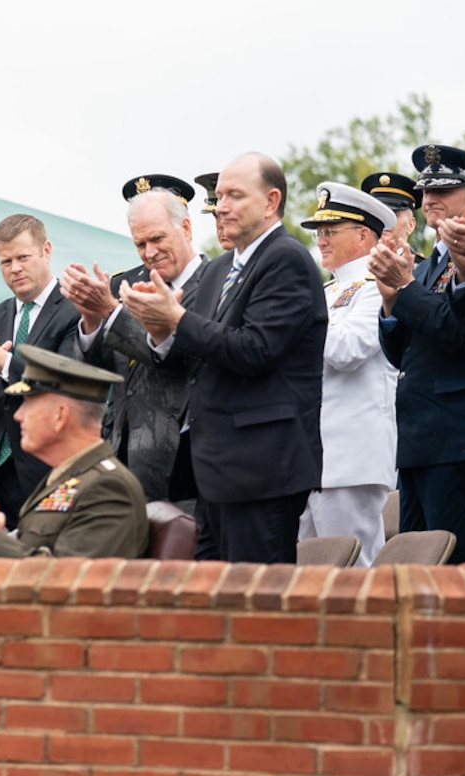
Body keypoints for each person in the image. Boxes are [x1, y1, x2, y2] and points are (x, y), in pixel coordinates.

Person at [120, 153, 326, 563]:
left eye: (234, 195)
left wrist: (175, 318)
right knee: (213, 604)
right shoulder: (221, 270)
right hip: (213, 473)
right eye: (219, 196)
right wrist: (159, 329)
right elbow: (200, 353)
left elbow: (253, 350)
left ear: (271, 202)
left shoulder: (286, 260)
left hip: (262, 470)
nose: (221, 205)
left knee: (255, 604)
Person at [367, 144, 465, 563]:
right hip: (418, 439)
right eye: (426, 192)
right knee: (412, 568)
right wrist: (389, 304)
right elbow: (400, 356)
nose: (429, 200)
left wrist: (403, 291)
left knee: (456, 562)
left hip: (457, 439)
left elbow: (459, 334)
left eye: (444, 190)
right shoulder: (421, 268)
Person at [63, 178, 205, 504]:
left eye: (157, 239)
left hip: (183, 463)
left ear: (185, 227)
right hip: (118, 457)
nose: (149, 253)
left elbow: (176, 355)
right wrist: (91, 319)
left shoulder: (212, 283)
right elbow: (91, 373)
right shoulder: (121, 285)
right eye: (140, 244)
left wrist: (112, 313)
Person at [0, 345, 147, 558]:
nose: (18, 416)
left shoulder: (108, 487)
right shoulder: (63, 479)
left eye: (28, 404)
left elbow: (65, 581)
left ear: (60, 415)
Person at [0, 214, 81, 528]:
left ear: (46, 251)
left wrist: (3, 363)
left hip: (54, 476)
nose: (15, 268)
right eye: (5, 261)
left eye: (23, 257)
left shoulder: (76, 310)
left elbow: (66, 382)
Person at [297, 182, 399, 565]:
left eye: (330, 231)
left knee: (356, 572)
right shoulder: (324, 293)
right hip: (316, 457)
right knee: (309, 572)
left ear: (363, 235)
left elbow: (347, 350)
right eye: (319, 232)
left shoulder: (377, 287)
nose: (321, 240)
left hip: (352, 459)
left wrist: (302, 315)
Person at [361, 171, 423, 257]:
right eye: (378, 215)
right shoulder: (355, 267)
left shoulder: (423, 269)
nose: (384, 221)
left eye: (393, 215)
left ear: (411, 225)